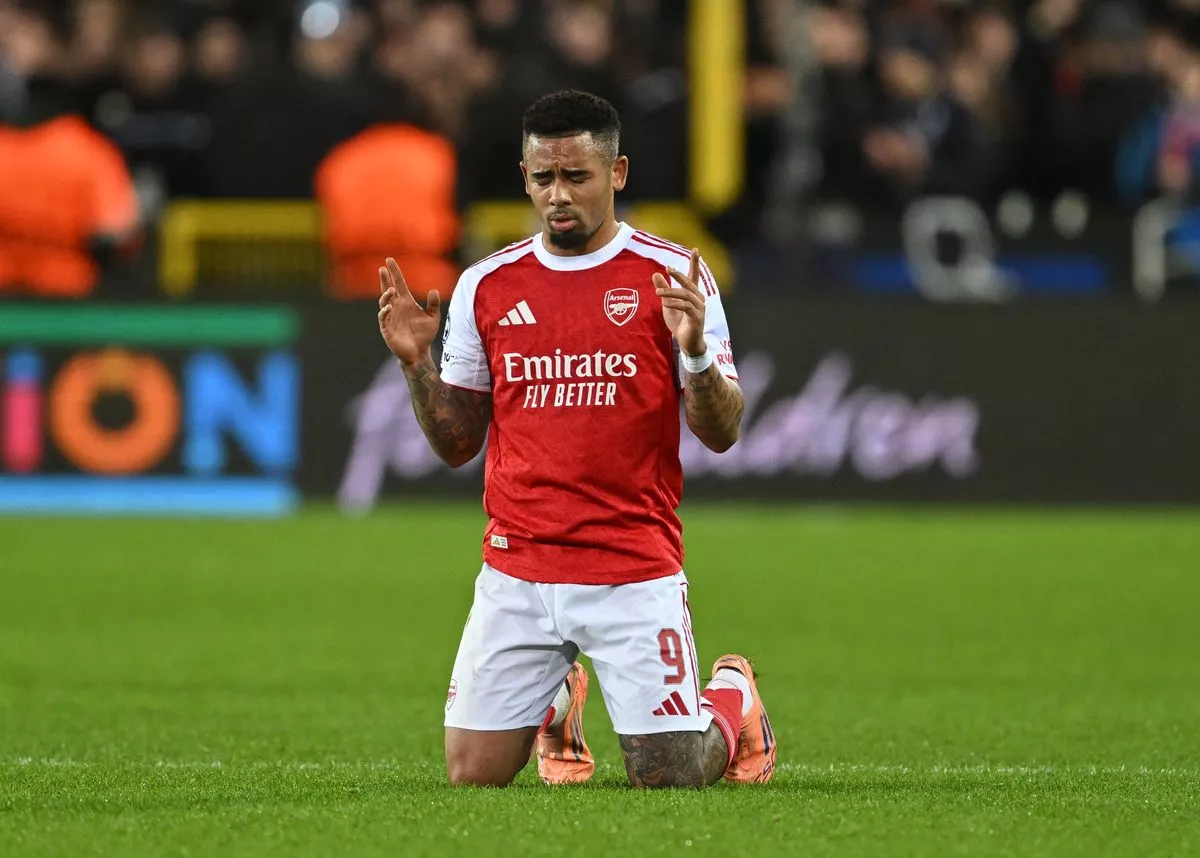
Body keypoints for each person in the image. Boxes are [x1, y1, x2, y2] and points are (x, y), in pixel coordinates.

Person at [376, 89, 776, 789]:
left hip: (631, 565)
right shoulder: (485, 286)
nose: (557, 196)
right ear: (525, 176)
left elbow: (722, 430)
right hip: (518, 568)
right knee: (472, 776)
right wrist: (418, 364)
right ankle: (558, 699)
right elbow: (457, 442)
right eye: (542, 178)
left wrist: (693, 354)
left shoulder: (673, 275)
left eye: (576, 177)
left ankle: (733, 698)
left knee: (672, 776)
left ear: (616, 174)